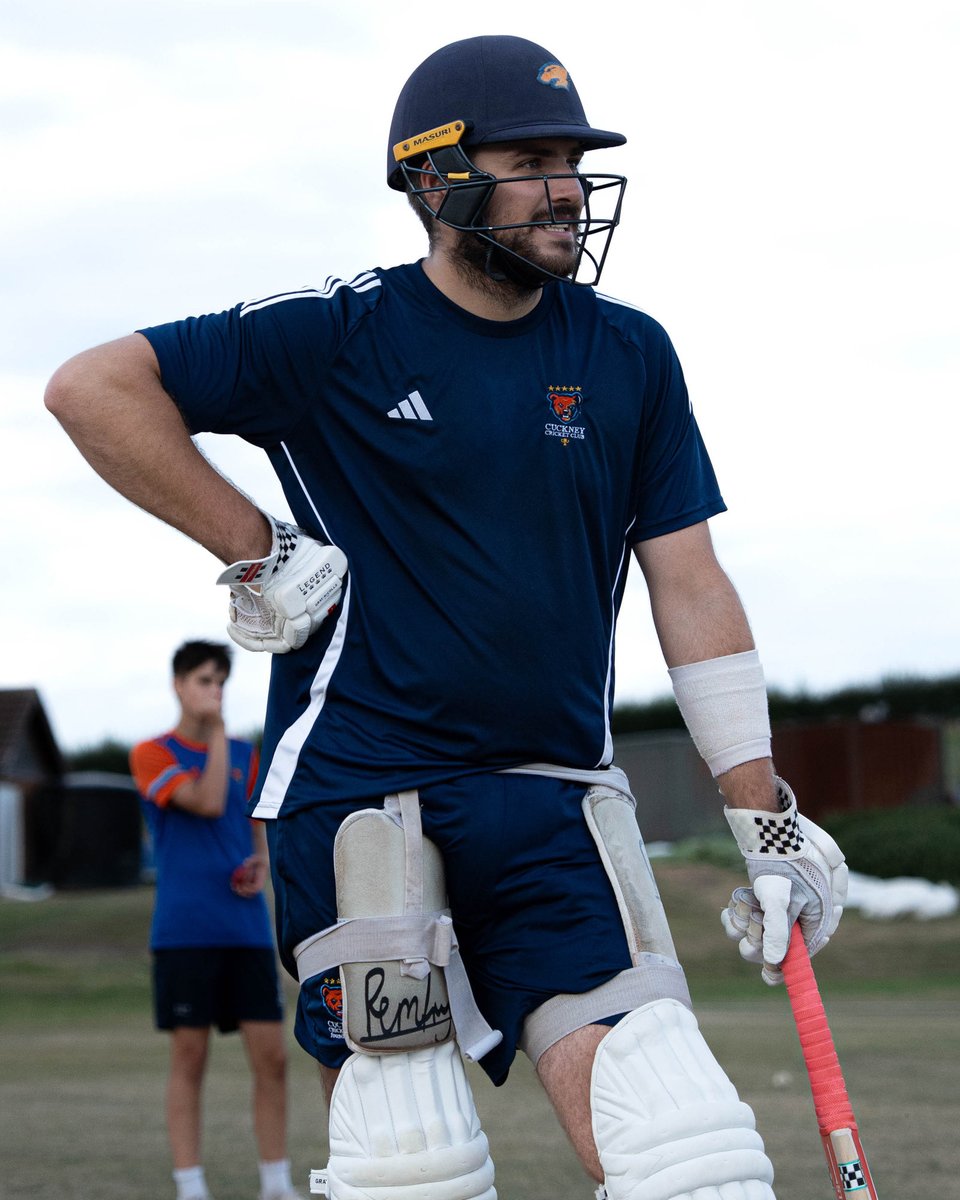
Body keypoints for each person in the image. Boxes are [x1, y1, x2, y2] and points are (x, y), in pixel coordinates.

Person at [46, 34, 848, 1200]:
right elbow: (92, 388)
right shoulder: (336, 331)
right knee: (410, 1162)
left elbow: (689, 581)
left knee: (697, 1159)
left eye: (573, 158)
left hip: (557, 798)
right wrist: (259, 548)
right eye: (530, 158)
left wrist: (763, 819)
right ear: (434, 179)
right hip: (365, 797)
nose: (566, 184)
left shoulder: (630, 353)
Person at [128, 640, 302, 1200]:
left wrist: (258, 861)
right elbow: (205, 802)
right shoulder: (152, 754)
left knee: (273, 1059)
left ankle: (276, 1184)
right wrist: (219, 732)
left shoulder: (250, 757)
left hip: (247, 930)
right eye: (204, 680)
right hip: (184, 932)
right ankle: (191, 1185)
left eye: (221, 681)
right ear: (179, 685)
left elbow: (252, 826)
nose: (214, 691)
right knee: (190, 1056)